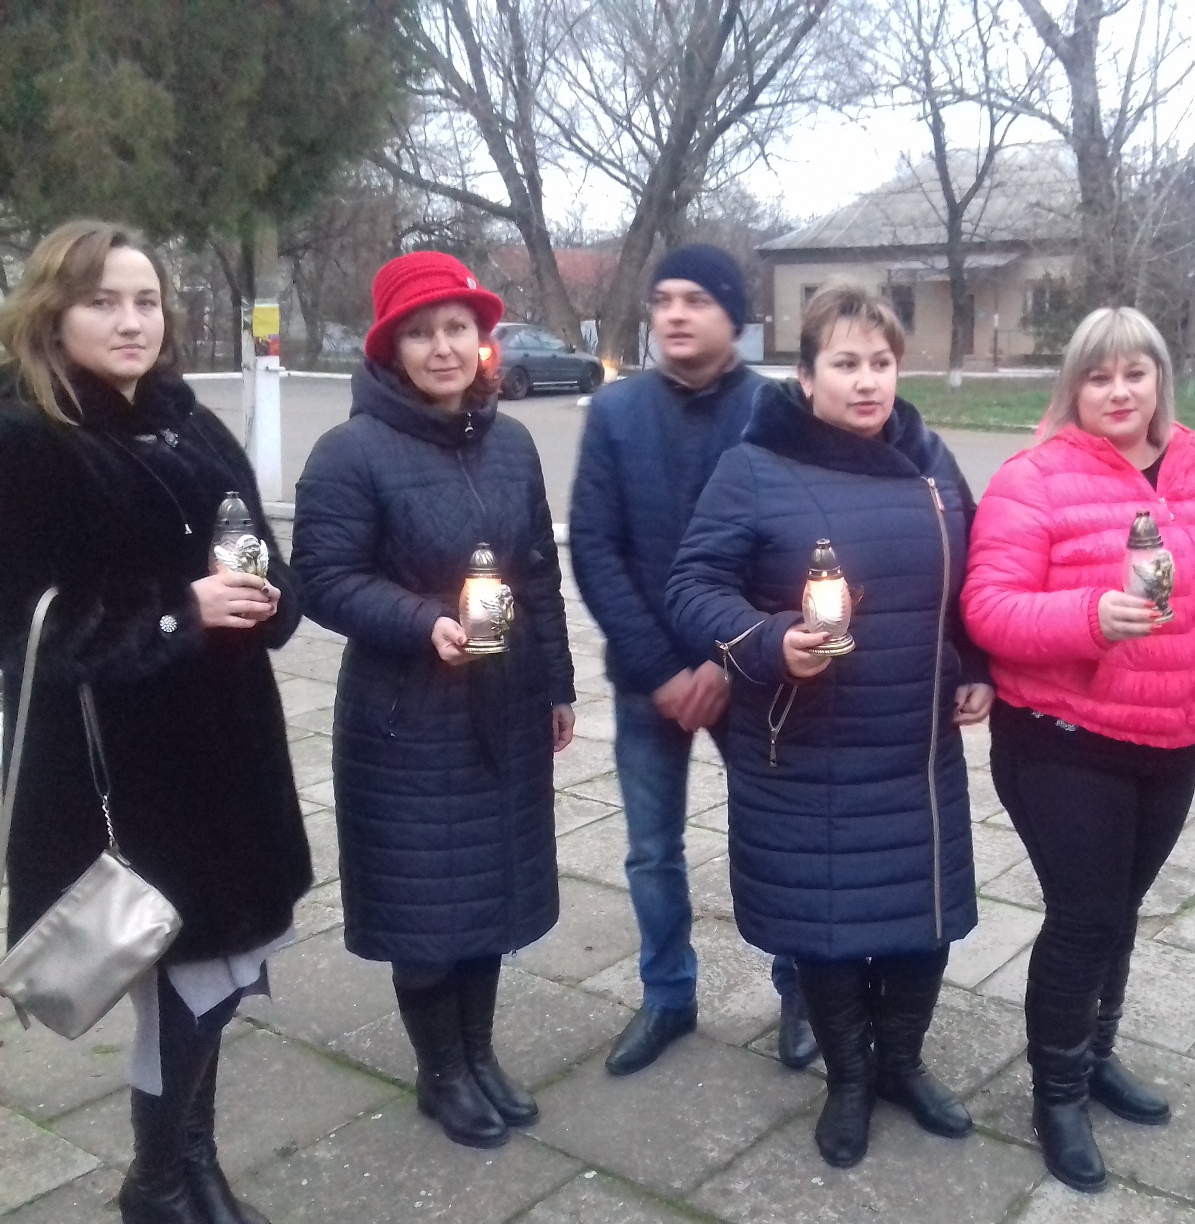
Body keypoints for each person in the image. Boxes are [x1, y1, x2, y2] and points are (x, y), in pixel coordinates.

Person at [0, 220, 311, 1224]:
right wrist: (182, 612)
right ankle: (163, 1178)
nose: (131, 321)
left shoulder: (189, 422)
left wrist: (268, 595)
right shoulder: (27, 440)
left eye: (146, 301)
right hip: (123, 770)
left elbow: (260, 556)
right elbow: (29, 631)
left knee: (219, 971)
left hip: (229, 753)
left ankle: (184, 1166)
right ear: (52, 315)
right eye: (102, 302)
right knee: (183, 972)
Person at [665, 280, 993, 1168]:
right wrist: (770, 642)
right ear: (806, 377)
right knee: (828, 931)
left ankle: (902, 1066)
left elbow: (972, 579)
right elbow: (692, 588)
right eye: (846, 364)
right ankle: (849, 1080)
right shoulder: (754, 467)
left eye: (881, 362)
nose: (867, 381)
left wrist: (979, 665)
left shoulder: (930, 462)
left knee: (925, 922)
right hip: (806, 746)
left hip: (915, 746)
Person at [960, 306, 1195, 1194]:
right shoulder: (1035, 478)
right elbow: (989, 608)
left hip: (1169, 740)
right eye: (1098, 376)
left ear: (1161, 378)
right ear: (1073, 387)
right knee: (1085, 917)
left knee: (1121, 912)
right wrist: (1090, 616)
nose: (1118, 392)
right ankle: (1056, 1096)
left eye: (1135, 373)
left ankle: (1095, 1057)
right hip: (1063, 740)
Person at [293, 252, 576, 1151]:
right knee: (424, 909)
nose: (443, 347)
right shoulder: (350, 453)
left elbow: (537, 572)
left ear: (482, 338)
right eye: (420, 333)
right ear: (390, 348)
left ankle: (478, 1054)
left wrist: (557, 685)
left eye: (457, 328)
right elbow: (322, 579)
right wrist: (425, 622)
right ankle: (441, 1072)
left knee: (487, 895)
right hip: (405, 720)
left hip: (504, 706)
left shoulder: (511, 443)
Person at [570, 244, 813, 1076]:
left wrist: (727, 662)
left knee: (778, 838)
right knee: (651, 850)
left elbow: (792, 550)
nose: (674, 313)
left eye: (696, 300)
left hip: (751, 675)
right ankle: (667, 993)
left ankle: (799, 991)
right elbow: (596, 551)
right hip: (649, 682)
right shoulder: (616, 413)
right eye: (663, 299)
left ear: (733, 318)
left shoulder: (776, 410)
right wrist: (663, 672)